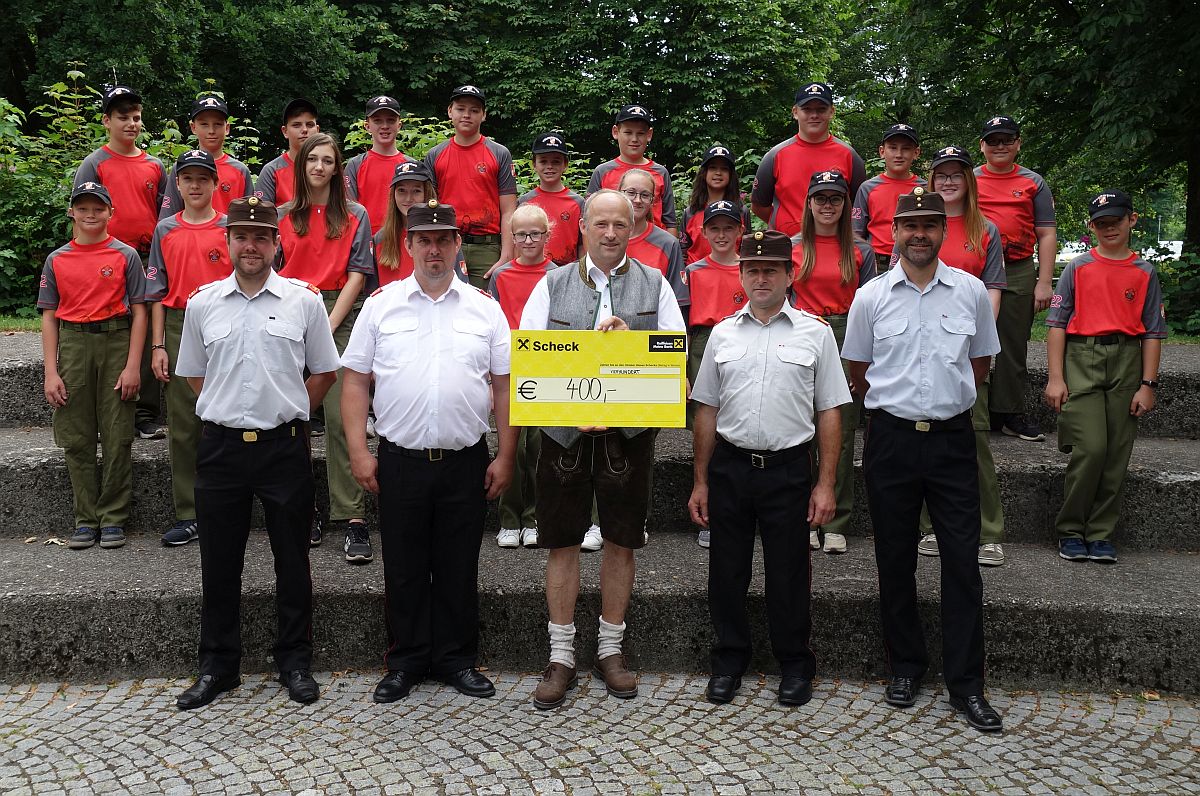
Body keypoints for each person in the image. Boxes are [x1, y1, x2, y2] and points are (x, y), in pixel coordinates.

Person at [841, 188, 1004, 732]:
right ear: (894, 232)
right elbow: (859, 371)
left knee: (962, 563)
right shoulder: (870, 297)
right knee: (895, 559)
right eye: (909, 225)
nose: (919, 234)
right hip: (891, 439)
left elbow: (979, 365)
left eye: (929, 225)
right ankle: (905, 666)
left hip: (953, 442)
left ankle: (967, 684)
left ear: (943, 231)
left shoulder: (972, 292)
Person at [341, 201, 516, 703]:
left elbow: (503, 387)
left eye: (444, 239)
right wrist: (358, 449)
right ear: (409, 245)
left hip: (465, 459)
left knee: (460, 565)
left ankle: (456, 659)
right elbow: (355, 381)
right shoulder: (381, 305)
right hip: (400, 459)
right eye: (424, 240)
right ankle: (406, 660)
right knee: (403, 566)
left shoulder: (485, 308)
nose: (434, 248)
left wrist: (505, 455)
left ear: (458, 244)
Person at [519, 189, 686, 710]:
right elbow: (531, 360)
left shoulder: (655, 282)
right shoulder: (551, 285)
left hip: (628, 437)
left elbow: (672, 356)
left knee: (621, 540)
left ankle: (611, 651)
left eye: (621, 223)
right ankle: (562, 655)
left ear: (633, 226)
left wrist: (628, 343)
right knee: (562, 542)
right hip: (565, 436)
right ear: (583, 229)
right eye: (601, 224)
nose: (611, 232)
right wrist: (590, 348)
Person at [173, 196, 340, 710]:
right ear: (227, 243)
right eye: (242, 236)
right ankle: (218, 666)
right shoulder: (202, 304)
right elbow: (195, 375)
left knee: (293, 561)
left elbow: (325, 372)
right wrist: (225, 409)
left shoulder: (303, 302)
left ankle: (294, 661)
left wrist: (290, 411)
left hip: (282, 449)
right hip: (221, 449)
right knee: (218, 563)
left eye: (261, 237)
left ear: (277, 244)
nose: (251, 245)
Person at [689, 229, 849, 706]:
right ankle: (728, 661)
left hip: (788, 470)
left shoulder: (815, 333)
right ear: (741, 274)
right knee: (726, 571)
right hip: (732, 467)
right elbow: (706, 409)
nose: (761, 278)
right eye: (753, 270)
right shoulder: (721, 332)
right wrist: (700, 480)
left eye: (771, 270)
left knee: (789, 574)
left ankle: (795, 665)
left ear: (789, 274)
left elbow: (831, 412)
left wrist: (825, 483)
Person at [1044, 189, 1166, 564]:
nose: (1108, 227)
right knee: (1092, 448)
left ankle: (1099, 533)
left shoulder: (1145, 272)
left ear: (1132, 220)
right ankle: (1070, 529)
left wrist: (1148, 384)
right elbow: (1057, 324)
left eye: (1116, 219)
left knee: (1116, 455)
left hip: (1127, 359)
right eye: (1100, 222)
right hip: (1082, 357)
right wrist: (1055, 377)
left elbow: (1153, 331)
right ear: (1090, 227)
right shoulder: (1077, 268)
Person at [277, 133, 374, 563]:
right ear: (301, 165)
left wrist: (325, 325)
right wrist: (297, 324)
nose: (319, 166)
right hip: (287, 310)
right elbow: (272, 270)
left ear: (338, 169)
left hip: (339, 312)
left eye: (328, 161)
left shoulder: (355, 214)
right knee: (291, 417)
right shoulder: (280, 215)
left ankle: (352, 518)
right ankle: (305, 508)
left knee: (340, 417)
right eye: (312, 159)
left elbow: (358, 273)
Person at [38, 182, 149, 551]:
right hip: (73, 343)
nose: (90, 214)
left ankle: (113, 517)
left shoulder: (125, 255)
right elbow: (50, 316)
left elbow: (139, 310)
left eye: (98, 208)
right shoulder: (57, 259)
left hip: (115, 339)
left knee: (118, 432)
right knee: (76, 434)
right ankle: (85, 519)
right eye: (83, 208)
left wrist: (134, 365)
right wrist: (51, 371)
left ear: (110, 212)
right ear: (72, 212)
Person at [912, 146, 1008, 567]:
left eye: (956, 175)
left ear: (969, 180)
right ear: (931, 181)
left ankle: (988, 531)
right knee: (919, 440)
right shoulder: (917, 225)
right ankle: (930, 527)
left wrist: (977, 342)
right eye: (941, 175)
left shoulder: (985, 228)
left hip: (964, 348)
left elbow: (993, 288)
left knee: (975, 438)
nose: (948, 181)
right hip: (916, 349)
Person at [145, 149, 233, 547]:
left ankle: (231, 502)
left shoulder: (230, 228)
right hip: (181, 324)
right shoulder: (165, 229)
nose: (195, 186)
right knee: (184, 424)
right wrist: (159, 344)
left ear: (216, 184)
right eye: (188, 179)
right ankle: (189, 511)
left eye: (203, 179)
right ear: (177, 185)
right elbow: (158, 293)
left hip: (227, 322)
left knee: (232, 416)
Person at [73, 84, 168, 441]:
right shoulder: (94, 163)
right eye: (123, 117)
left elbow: (164, 214)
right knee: (113, 327)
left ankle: (144, 412)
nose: (131, 123)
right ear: (106, 120)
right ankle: (108, 408)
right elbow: (83, 213)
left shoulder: (155, 165)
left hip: (146, 258)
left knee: (145, 332)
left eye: (137, 117)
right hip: (106, 258)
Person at [789, 170, 876, 555]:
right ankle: (804, 515)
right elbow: (781, 297)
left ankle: (837, 517)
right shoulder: (791, 246)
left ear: (846, 205)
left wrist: (866, 356)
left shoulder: (861, 250)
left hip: (845, 333)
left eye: (835, 199)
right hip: (802, 331)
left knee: (841, 428)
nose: (827, 206)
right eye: (820, 198)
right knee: (801, 427)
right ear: (809, 203)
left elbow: (872, 305)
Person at [974, 115, 1056, 442]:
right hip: (975, 267)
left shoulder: (1033, 182)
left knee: (1012, 344)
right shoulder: (969, 178)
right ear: (982, 146)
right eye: (993, 140)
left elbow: (1046, 233)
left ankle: (1008, 411)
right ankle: (970, 408)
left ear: (1018, 143)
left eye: (1007, 140)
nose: (1000, 146)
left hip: (1019, 267)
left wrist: (1044, 281)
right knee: (966, 336)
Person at [488, 205, 557, 550]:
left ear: (548, 236)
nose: (528, 240)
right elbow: (494, 328)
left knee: (540, 448)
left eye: (536, 234)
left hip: (546, 370)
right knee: (512, 447)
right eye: (521, 234)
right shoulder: (500, 276)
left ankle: (535, 518)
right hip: (510, 371)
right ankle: (509, 519)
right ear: (511, 237)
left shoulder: (559, 274)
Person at [683, 199, 746, 549]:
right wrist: (681, 368)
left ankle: (734, 510)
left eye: (728, 228)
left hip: (742, 340)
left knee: (735, 425)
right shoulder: (692, 272)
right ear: (703, 232)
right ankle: (707, 512)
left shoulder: (750, 268)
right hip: (702, 343)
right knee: (706, 429)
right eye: (714, 228)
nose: (721, 234)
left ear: (740, 230)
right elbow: (678, 324)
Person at [423, 84, 518, 288]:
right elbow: (429, 206)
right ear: (450, 111)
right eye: (460, 108)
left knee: (483, 310)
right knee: (442, 302)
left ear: (484, 115)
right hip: (446, 241)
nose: (467, 115)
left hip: (487, 247)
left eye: (474, 110)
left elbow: (509, 208)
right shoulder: (435, 155)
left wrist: (507, 254)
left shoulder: (499, 153)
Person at [751, 82, 866, 237]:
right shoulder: (775, 156)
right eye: (807, 109)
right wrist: (786, 226)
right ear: (795, 112)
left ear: (832, 112)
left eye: (821, 109)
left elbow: (857, 209)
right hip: (786, 249)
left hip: (834, 246)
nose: (814, 115)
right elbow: (759, 206)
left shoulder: (849, 156)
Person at [371, 161, 470, 290]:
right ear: (393, 195)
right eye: (401, 191)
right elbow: (372, 293)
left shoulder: (445, 235)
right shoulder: (380, 239)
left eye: (416, 191)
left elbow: (462, 288)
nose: (408, 198)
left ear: (426, 193)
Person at [159, 93, 254, 217]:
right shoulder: (182, 167)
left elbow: (249, 219)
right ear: (193, 127)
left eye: (218, 124)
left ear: (227, 128)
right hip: (189, 236)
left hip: (228, 235)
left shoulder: (240, 171)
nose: (211, 131)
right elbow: (168, 218)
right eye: (204, 124)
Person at [587, 105, 676, 235]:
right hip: (611, 245)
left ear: (649, 134)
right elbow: (587, 218)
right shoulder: (602, 172)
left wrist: (671, 253)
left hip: (653, 248)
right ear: (616, 132)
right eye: (628, 132)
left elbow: (670, 222)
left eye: (640, 133)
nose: (634, 139)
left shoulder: (661, 172)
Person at [852, 124, 925, 272]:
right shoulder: (867, 188)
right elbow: (856, 233)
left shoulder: (925, 189)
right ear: (882, 151)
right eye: (893, 148)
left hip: (915, 259)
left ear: (916, 153)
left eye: (905, 148)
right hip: (876, 262)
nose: (899, 154)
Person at [620, 169, 688, 309]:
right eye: (631, 193)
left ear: (652, 201)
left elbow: (678, 303)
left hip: (653, 327)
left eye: (645, 195)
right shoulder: (605, 238)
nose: (637, 200)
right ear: (619, 193)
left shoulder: (668, 244)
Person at [345, 95, 411, 234]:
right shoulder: (355, 165)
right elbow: (349, 212)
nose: (385, 126)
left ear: (399, 125)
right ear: (367, 126)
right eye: (377, 121)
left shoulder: (411, 166)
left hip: (404, 243)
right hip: (365, 244)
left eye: (391, 120)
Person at [518, 133, 585, 266]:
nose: (549, 166)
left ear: (565, 164)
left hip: (567, 273)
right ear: (534, 164)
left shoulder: (578, 202)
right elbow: (517, 243)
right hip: (533, 271)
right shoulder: (524, 202)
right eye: (543, 161)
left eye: (556, 161)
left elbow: (582, 246)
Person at [680, 145, 751, 265]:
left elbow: (747, 250)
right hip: (696, 277)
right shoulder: (690, 212)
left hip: (733, 276)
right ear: (704, 173)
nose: (718, 173)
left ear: (731, 175)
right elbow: (682, 252)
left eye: (724, 169)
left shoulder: (741, 211)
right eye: (713, 168)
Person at [256, 98, 320, 206]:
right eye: (296, 125)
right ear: (285, 131)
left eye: (309, 125)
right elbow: (262, 217)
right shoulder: (272, 171)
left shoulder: (327, 168)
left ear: (317, 130)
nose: (304, 129)